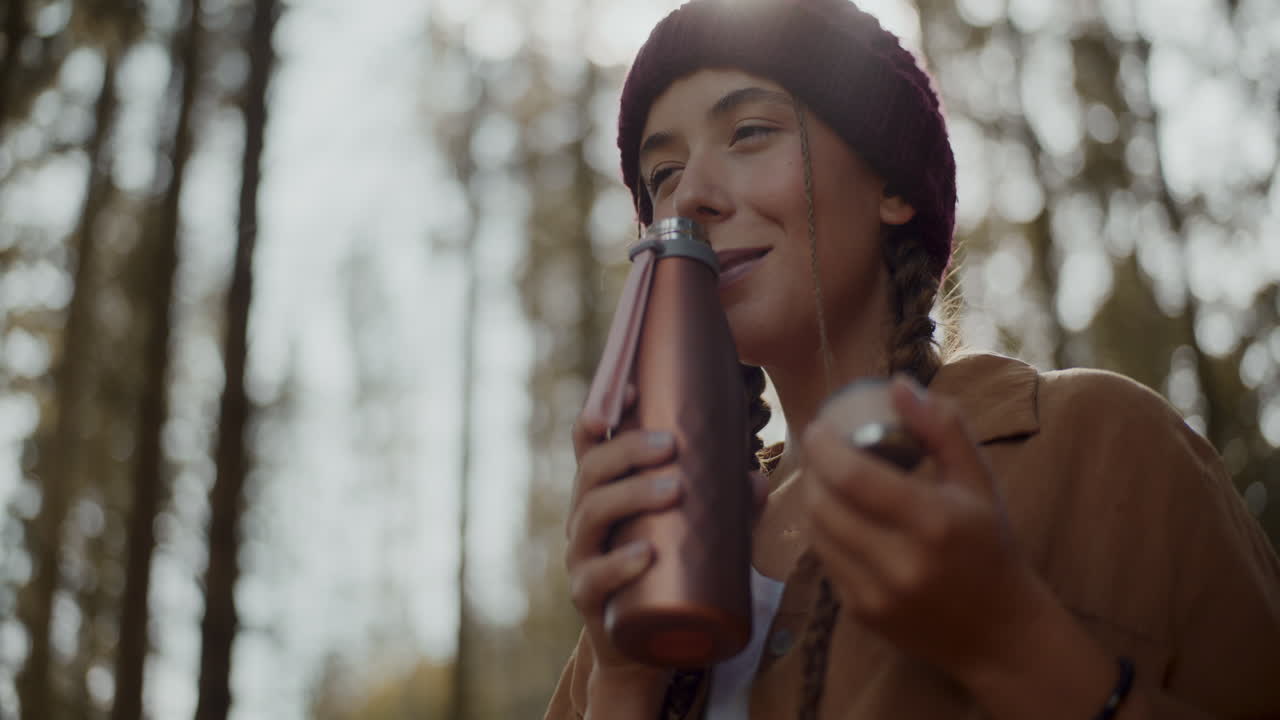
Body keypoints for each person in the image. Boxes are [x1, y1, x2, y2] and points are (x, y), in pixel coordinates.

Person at [543, 0, 1280, 718]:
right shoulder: (652, 566)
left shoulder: (1106, 444)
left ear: (891, 185)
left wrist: (1010, 643)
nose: (690, 196)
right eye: (662, 174)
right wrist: (623, 684)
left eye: (749, 131)